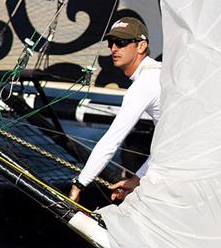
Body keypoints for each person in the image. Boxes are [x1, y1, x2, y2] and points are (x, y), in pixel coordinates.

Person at [69, 16, 161, 202]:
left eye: (121, 42)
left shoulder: (146, 82)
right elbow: (167, 147)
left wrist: (79, 184)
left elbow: (111, 140)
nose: (113, 48)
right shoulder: (157, 73)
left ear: (141, 46)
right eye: (111, 43)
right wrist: (136, 179)